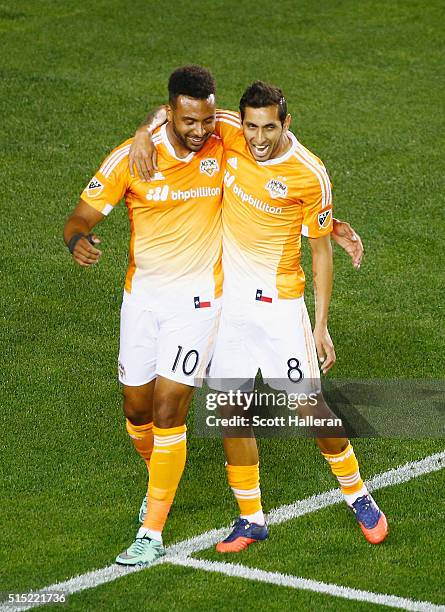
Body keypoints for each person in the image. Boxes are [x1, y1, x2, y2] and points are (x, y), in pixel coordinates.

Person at [129, 78, 387, 554]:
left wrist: (321, 323)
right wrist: (145, 131)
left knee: (311, 408)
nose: (259, 139)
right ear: (241, 122)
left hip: (280, 309)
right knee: (232, 410)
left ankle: (358, 495)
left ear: (286, 123)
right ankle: (251, 518)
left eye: (269, 128)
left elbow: (320, 252)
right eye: (251, 127)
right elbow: (167, 113)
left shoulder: (311, 173)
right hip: (226, 306)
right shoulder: (226, 128)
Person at [63, 65, 225, 566]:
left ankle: (150, 532)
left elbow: (278, 142)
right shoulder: (133, 157)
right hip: (143, 301)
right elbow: (81, 215)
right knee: (137, 412)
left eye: (205, 120)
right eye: (188, 121)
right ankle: (161, 479)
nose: (200, 131)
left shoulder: (225, 138)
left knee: (168, 407)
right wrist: (77, 241)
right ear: (171, 111)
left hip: (199, 301)